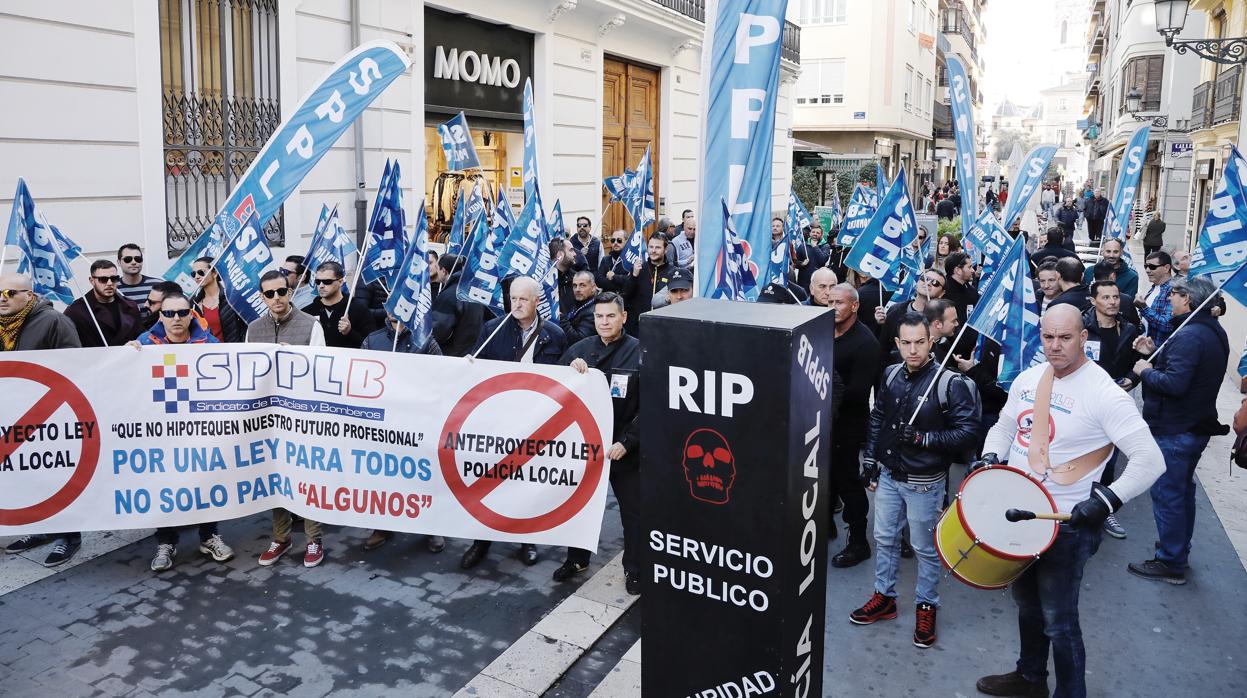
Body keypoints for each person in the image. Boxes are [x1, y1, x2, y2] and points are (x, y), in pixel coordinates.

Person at [973, 305, 1164, 698]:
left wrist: (1108, 500)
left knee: (1059, 621)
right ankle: (1030, 678)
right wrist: (992, 454)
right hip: (1020, 520)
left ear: (1083, 338)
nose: (1055, 346)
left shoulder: (1105, 394)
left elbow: (1151, 460)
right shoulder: (1029, 378)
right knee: (1026, 605)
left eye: (1065, 338)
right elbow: (1006, 424)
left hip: (1066, 526)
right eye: (1048, 337)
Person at [852, 313, 980, 649]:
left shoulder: (949, 383)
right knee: (884, 538)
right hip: (890, 474)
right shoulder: (891, 373)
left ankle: (927, 605)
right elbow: (878, 416)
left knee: (924, 548)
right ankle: (885, 597)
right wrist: (870, 459)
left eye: (919, 342)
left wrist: (924, 439)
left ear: (931, 340)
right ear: (896, 343)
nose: (913, 350)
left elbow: (968, 433)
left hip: (924, 481)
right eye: (906, 343)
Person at [1126, 277, 1230, 585]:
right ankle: (1176, 552)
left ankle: (1170, 561)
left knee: (1170, 494)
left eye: (1174, 294)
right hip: (1191, 426)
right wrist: (1155, 350)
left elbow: (1175, 383)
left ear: (1188, 299)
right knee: (1182, 492)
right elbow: (1188, 368)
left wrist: (1146, 369)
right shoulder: (1206, 331)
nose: (1169, 298)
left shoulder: (1191, 335)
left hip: (1177, 428)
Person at [461, 277, 567, 569]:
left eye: (523, 299)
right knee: (488, 482)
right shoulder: (491, 329)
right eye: (513, 298)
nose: (516, 304)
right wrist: (469, 363)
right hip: (499, 420)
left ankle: (526, 540)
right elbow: (476, 366)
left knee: (525, 483)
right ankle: (481, 541)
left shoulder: (554, 335)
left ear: (536, 301)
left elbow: (564, 377)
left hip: (535, 423)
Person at [128, 292, 236, 571]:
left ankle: (209, 535)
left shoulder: (210, 344)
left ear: (191, 314)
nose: (176, 318)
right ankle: (166, 541)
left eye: (182, 312)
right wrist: (125, 356)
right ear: (159, 316)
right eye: (169, 313)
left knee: (205, 480)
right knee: (163, 484)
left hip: (199, 428)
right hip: (160, 431)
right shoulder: (142, 345)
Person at [554, 292, 642, 594]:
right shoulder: (579, 349)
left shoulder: (640, 353)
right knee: (578, 507)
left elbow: (651, 406)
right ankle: (576, 559)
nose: (604, 322)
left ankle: (635, 569)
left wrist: (628, 442)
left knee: (632, 513)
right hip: (585, 448)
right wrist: (570, 369)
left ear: (623, 317)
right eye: (599, 317)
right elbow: (556, 388)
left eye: (610, 316)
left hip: (623, 450)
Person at [0, 273, 84, 566]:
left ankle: (69, 537)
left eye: (10, 292)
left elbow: (75, 365)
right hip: (11, 416)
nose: (2, 297)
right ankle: (42, 530)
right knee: (29, 476)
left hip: (50, 416)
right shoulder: (2, 326)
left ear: (29, 295)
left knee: (57, 477)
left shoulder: (54, 322)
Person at [247, 270, 328, 567]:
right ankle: (281, 538)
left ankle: (313, 540)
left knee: (306, 477)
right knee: (275, 477)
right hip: (270, 418)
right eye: (269, 294)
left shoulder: (310, 325)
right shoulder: (254, 329)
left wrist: (294, 358)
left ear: (290, 291)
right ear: (262, 296)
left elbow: (321, 370)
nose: (276, 298)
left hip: (303, 416)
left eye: (281, 291)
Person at [358, 315, 447, 555]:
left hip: (417, 422)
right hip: (383, 424)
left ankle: (431, 526)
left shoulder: (425, 340)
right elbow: (359, 378)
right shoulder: (372, 341)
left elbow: (442, 376)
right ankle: (382, 526)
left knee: (421, 476)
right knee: (382, 475)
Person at [825, 283, 882, 567]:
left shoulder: (866, 343)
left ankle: (858, 542)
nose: (832, 307)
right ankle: (826, 525)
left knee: (846, 481)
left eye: (839, 303)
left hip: (848, 424)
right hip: (820, 421)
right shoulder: (822, 329)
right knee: (824, 478)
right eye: (830, 301)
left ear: (855, 306)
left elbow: (858, 392)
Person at [64, 259, 144, 347]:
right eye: (103, 279)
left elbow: (140, 336)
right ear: (92, 281)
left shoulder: (131, 306)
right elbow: (67, 345)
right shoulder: (76, 311)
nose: (109, 283)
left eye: (114, 279)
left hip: (129, 359)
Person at [302, 261, 375, 349]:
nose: (321, 286)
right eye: (318, 281)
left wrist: (349, 332)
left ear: (340, 282)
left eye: (327, 281)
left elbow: (371, 347)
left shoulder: (359, 310)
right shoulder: (306, 312)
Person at [429, 254, 488, 357]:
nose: (437, 272)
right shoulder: (473, 292)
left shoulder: (449, 295)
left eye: (438, 268)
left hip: (452, 355)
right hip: (472, 354)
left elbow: (438, 331)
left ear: (444, 271)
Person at [623, 233, 672, 334]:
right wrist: (634, 276)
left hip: (662, 327)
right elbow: (626, 295)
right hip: (638, 327)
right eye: (651, 247)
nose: (653, 251)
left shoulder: (672, 271)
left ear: (665, 249)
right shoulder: (639, 268)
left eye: (658, 247)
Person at [190, 257, 246, 342]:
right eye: (193, 274)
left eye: (201, 272)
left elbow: (245, 327)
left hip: (231, 352)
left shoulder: (232, 298)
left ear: (214, 273)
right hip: (205, 353)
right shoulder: (193, 303)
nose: (197, 277)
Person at [1137, 250, 1175, 344]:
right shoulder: (1155, 287)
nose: (1147, 270)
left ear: (1166, 268)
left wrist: (1143, 308)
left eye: (1152, 267)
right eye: (1146, 266)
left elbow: (1167, 324)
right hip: (1146, 347)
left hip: (1159, 351)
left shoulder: (1173, 290)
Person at [116, 243, 160, 321]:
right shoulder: (113, 288)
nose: (133, 262)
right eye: (128, 259)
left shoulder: (157, 285)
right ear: (119, 262)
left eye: (138, 259)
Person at [561, 270, 599, 343]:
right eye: (575, 286)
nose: (577, 290)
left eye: (582, 285)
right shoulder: (579, 302)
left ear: (593, 287)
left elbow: (579, 340)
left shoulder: (594, 311)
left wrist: (562, 320)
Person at [942, 252, 979, 323]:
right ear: (958, 270)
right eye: (969, 267)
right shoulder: (944, 293)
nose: (973, 270)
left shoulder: (972, 291)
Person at [797, 223, 831, 292]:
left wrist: (815, 247)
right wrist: (802, 264)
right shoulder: (803, 245)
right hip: (803, 280)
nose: (815, 234)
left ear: (821, 235)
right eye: (813, 232)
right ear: (810, 233)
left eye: (818, 233)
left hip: (818, 280)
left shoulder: (825, 246)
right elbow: (795, 262)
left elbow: (822, 260)